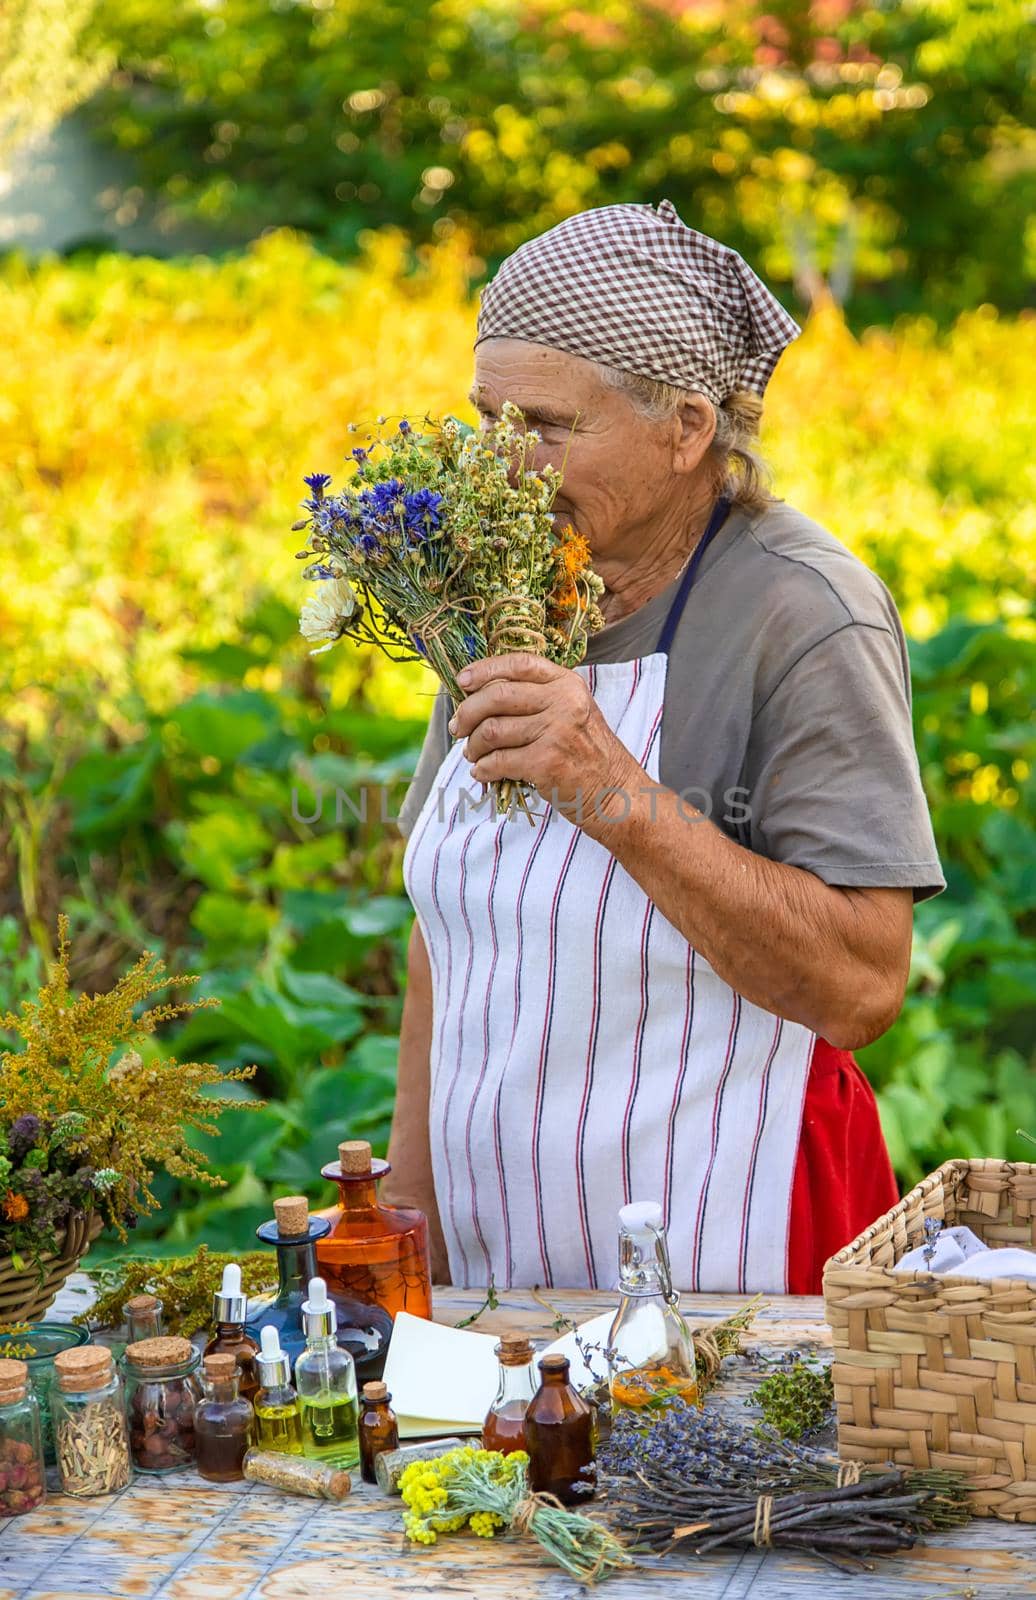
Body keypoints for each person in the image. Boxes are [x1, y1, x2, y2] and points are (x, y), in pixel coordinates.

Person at [385, 199, 944, 1294]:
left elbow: (862, 986)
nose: (497, 466)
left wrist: (609, 788)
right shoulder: (492, 582)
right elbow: (440, 944)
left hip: (722, 1252)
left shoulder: (800, 610)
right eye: (482, 419)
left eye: (543, 426)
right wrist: (409, 1235)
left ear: (687, 429)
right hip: (503, 1269)